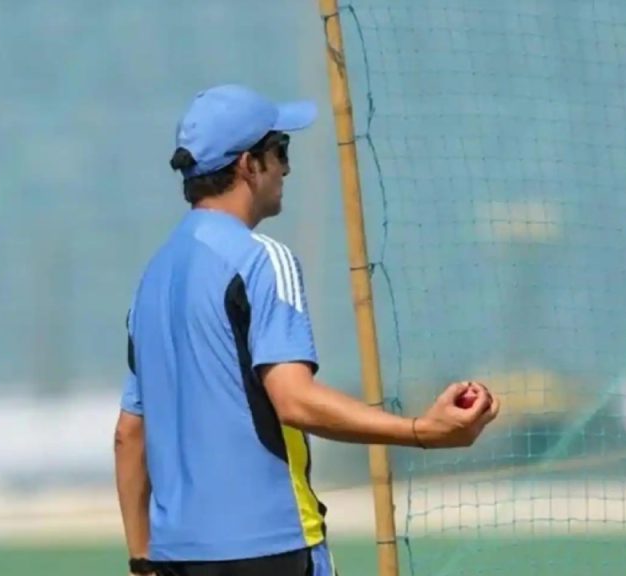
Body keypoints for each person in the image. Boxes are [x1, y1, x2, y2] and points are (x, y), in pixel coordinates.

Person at [114, 84, 500, 576]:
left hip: (174, 557)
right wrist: (423, 432)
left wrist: (142, 557)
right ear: (247, 165)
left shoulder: (152, 278)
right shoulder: (262, 258)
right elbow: (293, 400)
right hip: (269, 549)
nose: (286, 167)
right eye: (280, 151)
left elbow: (129, 435)